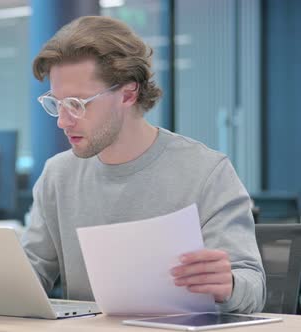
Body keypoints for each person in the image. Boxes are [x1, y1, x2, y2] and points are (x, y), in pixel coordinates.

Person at [21, 16, 265, 314]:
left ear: (128, 93)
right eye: (57, 103)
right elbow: (27, 276)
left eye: (77, 104)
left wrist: (229, 285)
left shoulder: (206, 172)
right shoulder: (58, 175)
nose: (62, 120)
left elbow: (253, 287)